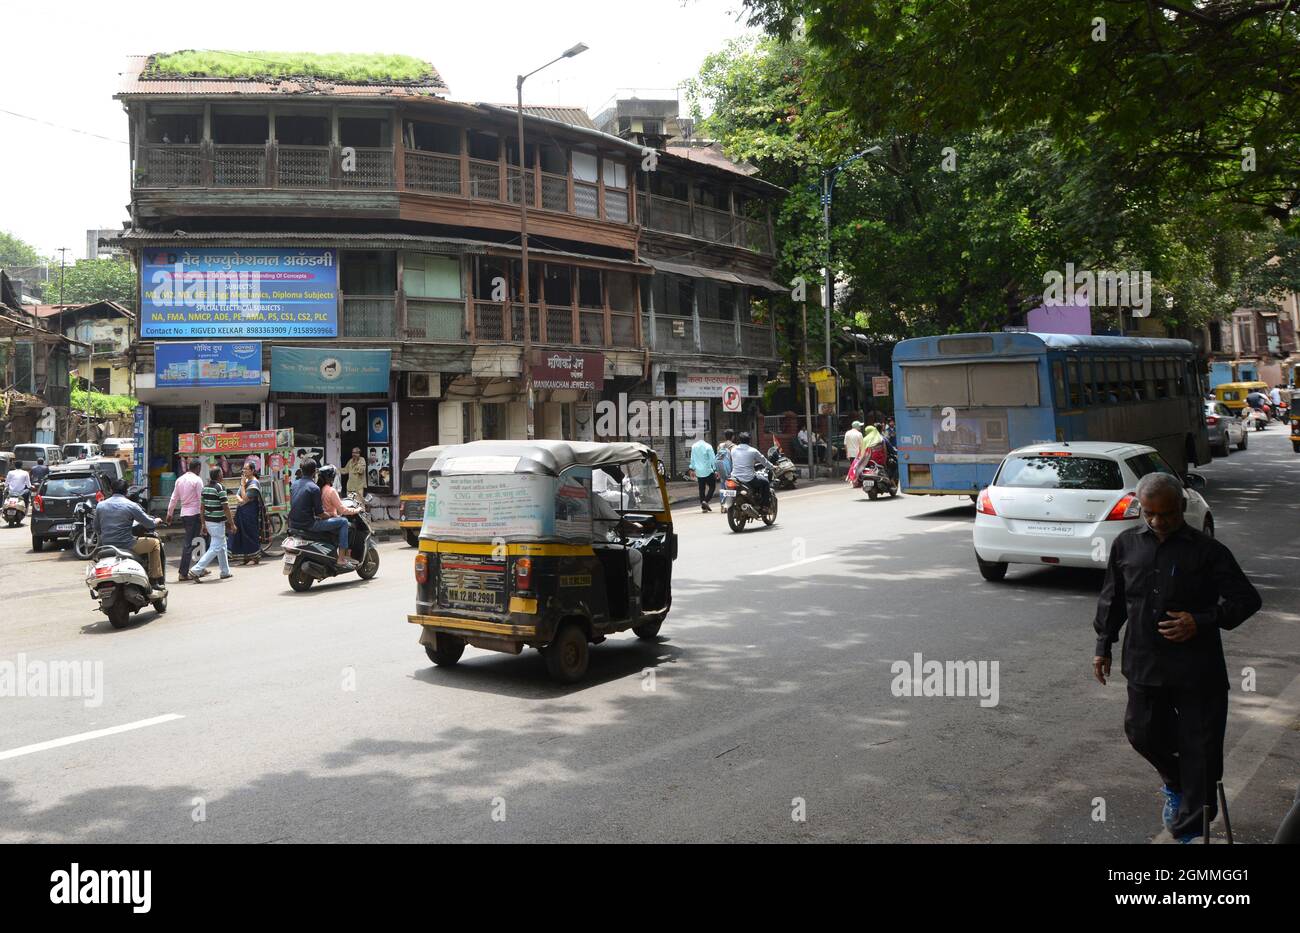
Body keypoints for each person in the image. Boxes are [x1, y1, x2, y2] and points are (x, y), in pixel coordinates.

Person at [1093, 471, 1262, 843]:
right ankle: (1177, 785)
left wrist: (1201, 621)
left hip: (1197, 670)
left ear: (1182, 508)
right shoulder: (1125, 545)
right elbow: (1113, 598)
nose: (1157, 522)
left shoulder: (1208, 551)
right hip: (1143, 663)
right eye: (1149, 514)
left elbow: (1247, 600)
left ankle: (1188, 831)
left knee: (1200, 751)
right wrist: (1103, 644)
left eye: (1166, 514)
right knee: (1142, 733)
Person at [94, 478, 166, 593]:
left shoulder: (100, 506)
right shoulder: (131, 505)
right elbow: (149, 524)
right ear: (126, 491)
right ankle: (154, 580)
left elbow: (96, 528)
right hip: (128, 545)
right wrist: (156, 520)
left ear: (111, 490)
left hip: (106, 546)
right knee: (155, 544)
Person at [289, 459, 354, 569]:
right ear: (314, 472)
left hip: (293, 524)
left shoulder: (294, 484)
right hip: (309, 524)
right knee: (343, 522)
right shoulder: (314, 488)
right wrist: (331, 515)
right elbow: (320, 513)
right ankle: (341, 559)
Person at [188, 467, 235, 582]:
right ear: (219, 475)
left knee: (222, 546)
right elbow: (226, 508)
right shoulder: (220, 488)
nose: (223, 475)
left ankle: (225, 571)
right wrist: (232, 524)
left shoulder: (205, 488)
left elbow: (202, 508)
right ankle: (196, 570)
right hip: (217, 522)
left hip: (209, 522)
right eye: (222, 473)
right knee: (216, 547)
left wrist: (203, 524)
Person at [166, 458, 206, 582]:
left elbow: (174, 498)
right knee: (192, 542)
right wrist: (203, 516)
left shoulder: (180, 479)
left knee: (197, 540)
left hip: (185, 514)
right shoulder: (197, 480)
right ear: (198, 468)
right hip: (195, 514)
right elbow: (201, 499)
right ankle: (183, 573)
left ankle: (200, 568)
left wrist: (169, 513)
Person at [318, 466, 361, 558]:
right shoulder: (331, 491)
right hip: (330, 519)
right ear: (331, 477)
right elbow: (343, 510)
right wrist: (356, 510)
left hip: (321, 520)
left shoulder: (319, 489)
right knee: (352, 527)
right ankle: (345, 555)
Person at [228, 460, 264, 566]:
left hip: (250, 513)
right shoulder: (246, 481)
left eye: (246, 469)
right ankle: (245, 558)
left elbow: (245, 497)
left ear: (252, 470)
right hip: (242, 512)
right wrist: (242, 497)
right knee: (241, 535)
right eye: (243, 469)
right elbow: (238, 496)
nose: (244, 471)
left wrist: (243, 486)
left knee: (250, 534)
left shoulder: (254, 483)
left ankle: (255, 557)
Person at [729, 431, 774, 507]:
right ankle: (765, 506)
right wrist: (772, 466)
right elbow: (764, 461)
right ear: (749, 441)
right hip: (748, 479)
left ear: (739, 440)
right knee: (765, 482)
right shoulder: (753, 451)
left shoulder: (733, 450)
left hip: (735, 477)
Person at [688, 434, 717, 513]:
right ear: (705, 437)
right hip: (707, 470)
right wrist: (715, 469)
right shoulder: (708, 446)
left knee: (701, 489)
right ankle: (706, 501)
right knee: (712, 486)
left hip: (699, 471)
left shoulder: (694, 446)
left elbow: (692, 459)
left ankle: (704, 507)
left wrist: (692, 468)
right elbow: (713, 459)